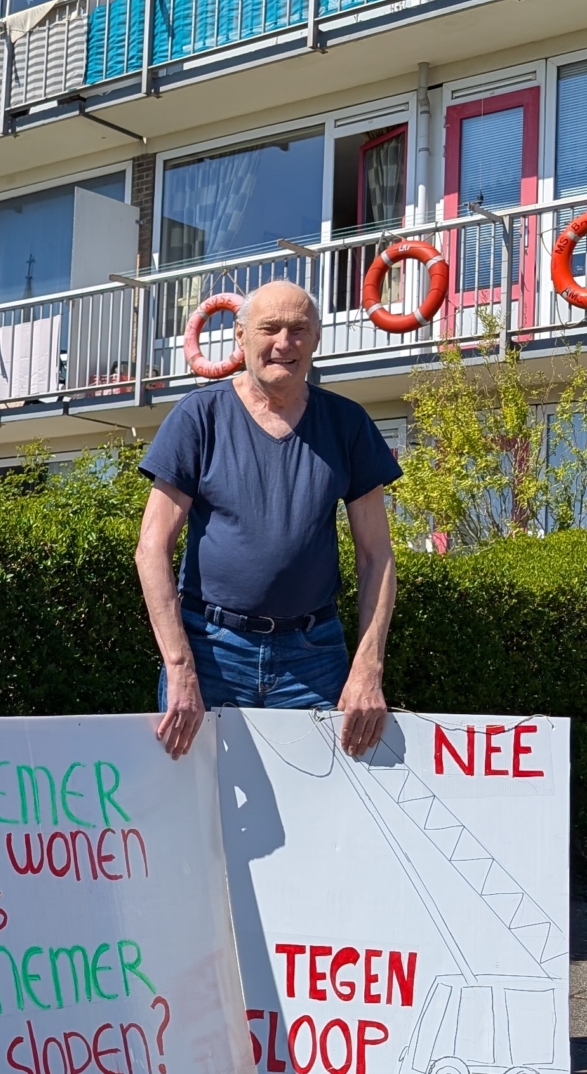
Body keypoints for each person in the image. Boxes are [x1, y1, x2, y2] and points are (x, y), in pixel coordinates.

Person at [136, 279, 401, 760]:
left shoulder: (347, 424)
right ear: (240, 337)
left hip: (314, 657)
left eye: (299, 329)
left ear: (317, 339)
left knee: (321, 814)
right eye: (270, 328)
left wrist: (368, 668)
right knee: (199, 812)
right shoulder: (199, 417)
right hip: (212, 652)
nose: (284, 343)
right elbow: (151, 547)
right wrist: (180, 666)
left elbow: (376, 557)